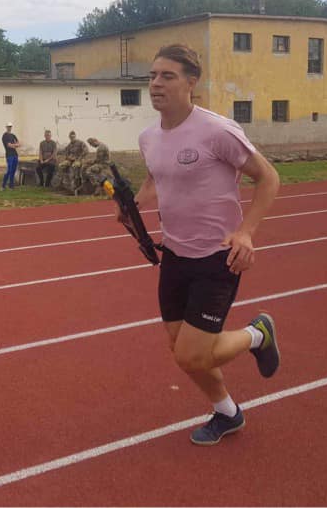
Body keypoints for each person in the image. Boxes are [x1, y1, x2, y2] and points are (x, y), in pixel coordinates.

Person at [126, 43, 281, 446]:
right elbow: (155, 177)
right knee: (180, 347)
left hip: (217, 257)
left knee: (192, 354)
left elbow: (268, 178)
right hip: (174, 256)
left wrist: (246, 232)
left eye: (167, 76)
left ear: (191, 82)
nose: (156, 84)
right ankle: (227, 412)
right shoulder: (148, 137)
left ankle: (257, 334)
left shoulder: (217, 131)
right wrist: (134, 204)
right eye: (152, 76)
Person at [0, 122, 20, 190]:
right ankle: (3, 185)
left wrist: (13, 145)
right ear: (6, 127)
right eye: (8, 126)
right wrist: (15, 145)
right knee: (9, 170)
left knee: (13, 170)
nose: (9, 128)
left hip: (15, 154)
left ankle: (11, 185)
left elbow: (19, 143)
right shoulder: (5, 135)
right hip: (9, 155)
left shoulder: (13, 135)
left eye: (10, 126)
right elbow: (8, 145)